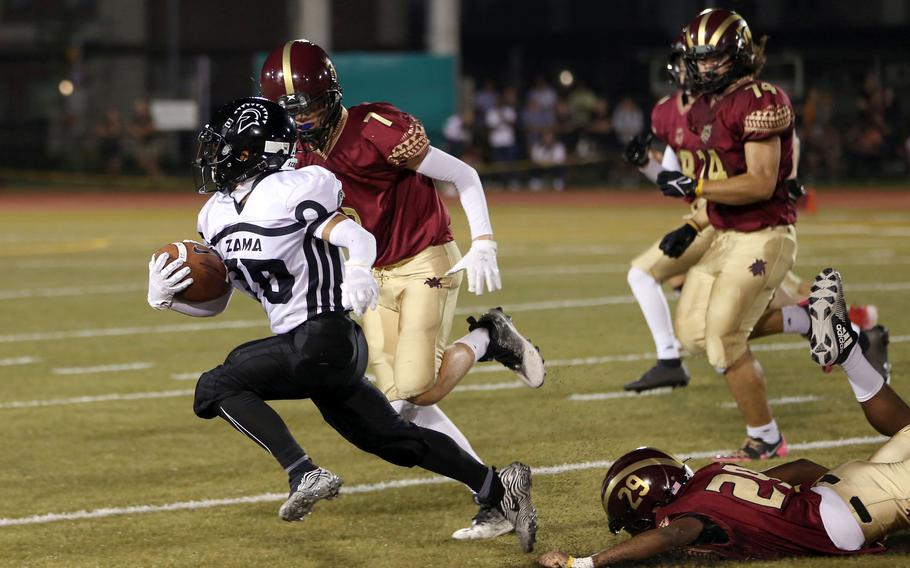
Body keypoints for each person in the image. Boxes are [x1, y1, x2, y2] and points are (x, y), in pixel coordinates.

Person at [146, 97, 538, 553]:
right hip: (304, 350)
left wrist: (356, 269)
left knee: (214, 386)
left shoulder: (295, 186)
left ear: (257, 149)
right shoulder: (214, 214)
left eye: (227, 148)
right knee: (391, 439)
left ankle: (300, 470)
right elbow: (221, 298)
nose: (214, 159)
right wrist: (168, 300)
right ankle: (497, 486)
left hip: (327, 335)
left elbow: (357, 235)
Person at [259, 39, 546, 540]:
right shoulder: (297, 155)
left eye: (303, 106)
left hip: (424, 256)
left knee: (414, 387)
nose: (298, 119)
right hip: (372, 274)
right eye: (287, 110)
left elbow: (464, 174)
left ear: (330, 93)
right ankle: (496, 496)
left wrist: (484, 241)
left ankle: (488, 338)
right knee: (402, 406)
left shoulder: (376, 129)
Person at [539, 267, 908, 567]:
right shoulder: (714, 475)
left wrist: (583, 563)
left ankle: (849, 354)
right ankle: (850, 356)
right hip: (841, 491)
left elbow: (672, 534)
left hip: (846, 510)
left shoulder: (687, 512)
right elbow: (802, 467)